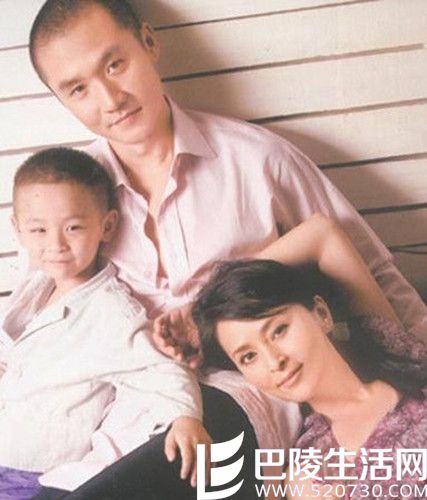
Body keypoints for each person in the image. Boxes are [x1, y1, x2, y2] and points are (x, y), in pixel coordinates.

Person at [27, 0, 426, 496]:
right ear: (61, 99)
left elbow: (366, 266)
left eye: (114, 65)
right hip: (133, 404)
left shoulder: (258, 160)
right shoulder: (70, 195)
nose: (110, 99)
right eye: (78, 89)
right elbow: (42, 315)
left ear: (149, 43)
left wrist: (415, 366)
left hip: (241, 397)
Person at [1, 147, 210, 499]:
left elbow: (159, 367)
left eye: (73, 228)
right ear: (18, 229)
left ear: (107, 226)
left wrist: (185, 416)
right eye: (38, 230)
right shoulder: (35, 288)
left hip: (31, 470)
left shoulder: (111, 311)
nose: (56, 244)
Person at [192, 214, 427, 499]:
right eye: (249, 357)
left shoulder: (387, 342)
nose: (274, 361)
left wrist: (188, 316)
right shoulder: (311, 471)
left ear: (321, 314)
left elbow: (321, 234)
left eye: (278, 330)